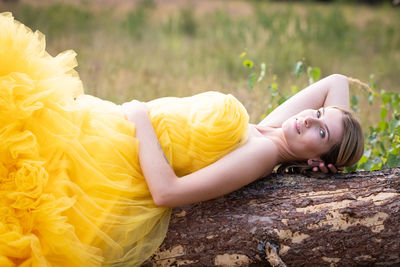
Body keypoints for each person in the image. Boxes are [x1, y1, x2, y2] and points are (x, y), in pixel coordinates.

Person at [0, 12, 363, 267]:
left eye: (321, 131)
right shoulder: (271, 128)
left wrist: (141, 117)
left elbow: (167, 192)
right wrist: (335, 133)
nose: (308, 119)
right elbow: (336, 80)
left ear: (316, 158)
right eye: (317, 114)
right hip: (106, 129)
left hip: (111, 162)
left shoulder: (263, 154)